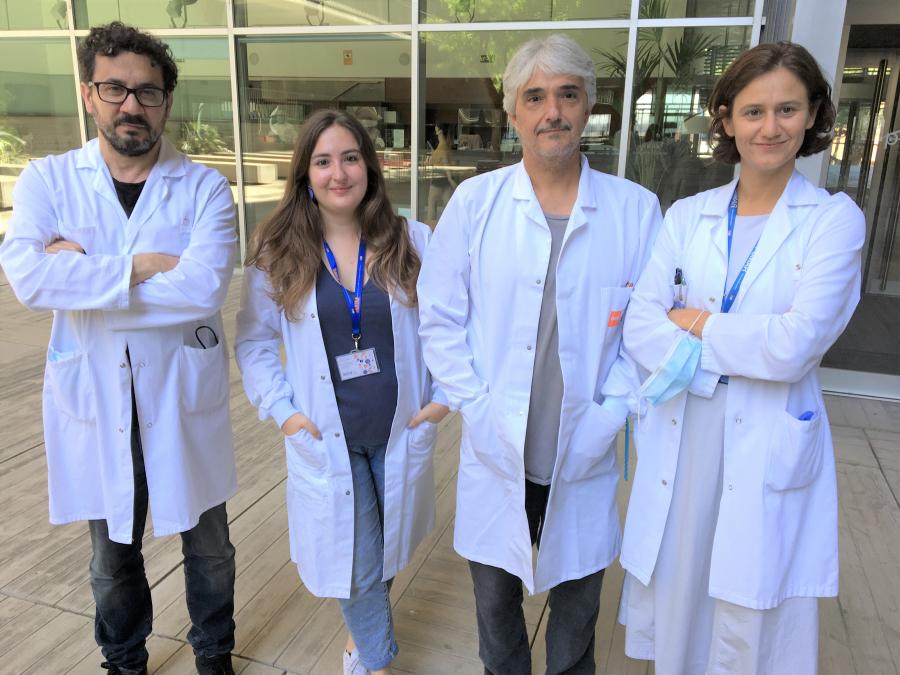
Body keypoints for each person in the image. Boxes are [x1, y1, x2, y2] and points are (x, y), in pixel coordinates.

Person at [417, 35, 662, 674]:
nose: (552, 111)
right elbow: (439, 321)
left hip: (583, 449)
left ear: (588, 107)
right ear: (512, 112)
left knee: (576, 624)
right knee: (497, 621)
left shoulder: (636, 212)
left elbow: (647, 335)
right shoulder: (475, 204)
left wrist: (610, 414)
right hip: (497, 449)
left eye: (567, 95)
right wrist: (478, 407)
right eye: (535, 97)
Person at [618, 41, 865, 674]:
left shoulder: (832, 221)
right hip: (686, 432)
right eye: (753, 112)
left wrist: (695, 321)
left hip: (765, 438)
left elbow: (794, 347)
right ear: (727, 121)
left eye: (788, 109)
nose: (770, 127)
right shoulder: (687, 216)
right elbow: (640, 327)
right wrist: (739, 343)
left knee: (750, 621)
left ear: (813, 116)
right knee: (681, 598)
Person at [0, 22, 238, 675]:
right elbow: (30, 280)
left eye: (147, 92)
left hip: (181, 393)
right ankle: (124, 659)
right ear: (89, 94)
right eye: (115, 89)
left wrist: (84, 275)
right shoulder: (49, 179)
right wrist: (142, 266)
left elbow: (204, 287)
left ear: (166, 102)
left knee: (209, 545)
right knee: (111, 553)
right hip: (96, 395)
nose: (131, 104)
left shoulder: (204, 187)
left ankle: (214, 651)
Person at [234, 109, 447, 675]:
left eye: (350, 158)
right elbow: (254, 342)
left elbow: (449, 324)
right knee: (357, 558)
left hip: (400, 426)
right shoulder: (278, 250)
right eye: (323, 161)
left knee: (385, 547)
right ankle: (374, 662)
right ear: (306, 174)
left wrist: (443, 399)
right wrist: (283, 412)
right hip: (327, 435)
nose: (338, 173)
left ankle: (357, 643)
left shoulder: (412, 240)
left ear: (369, 167)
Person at [425, 124, 458, 224]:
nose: (435, 129)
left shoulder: (442, 147)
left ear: (440, 131)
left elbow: (446, 164)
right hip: (444, 181)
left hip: (438, 181)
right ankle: (453, 225)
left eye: (437, 127)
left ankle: (431, 228)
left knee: (432, 206)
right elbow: (446, 163)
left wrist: (451, 180)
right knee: (448, 206)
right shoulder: (443, 147)